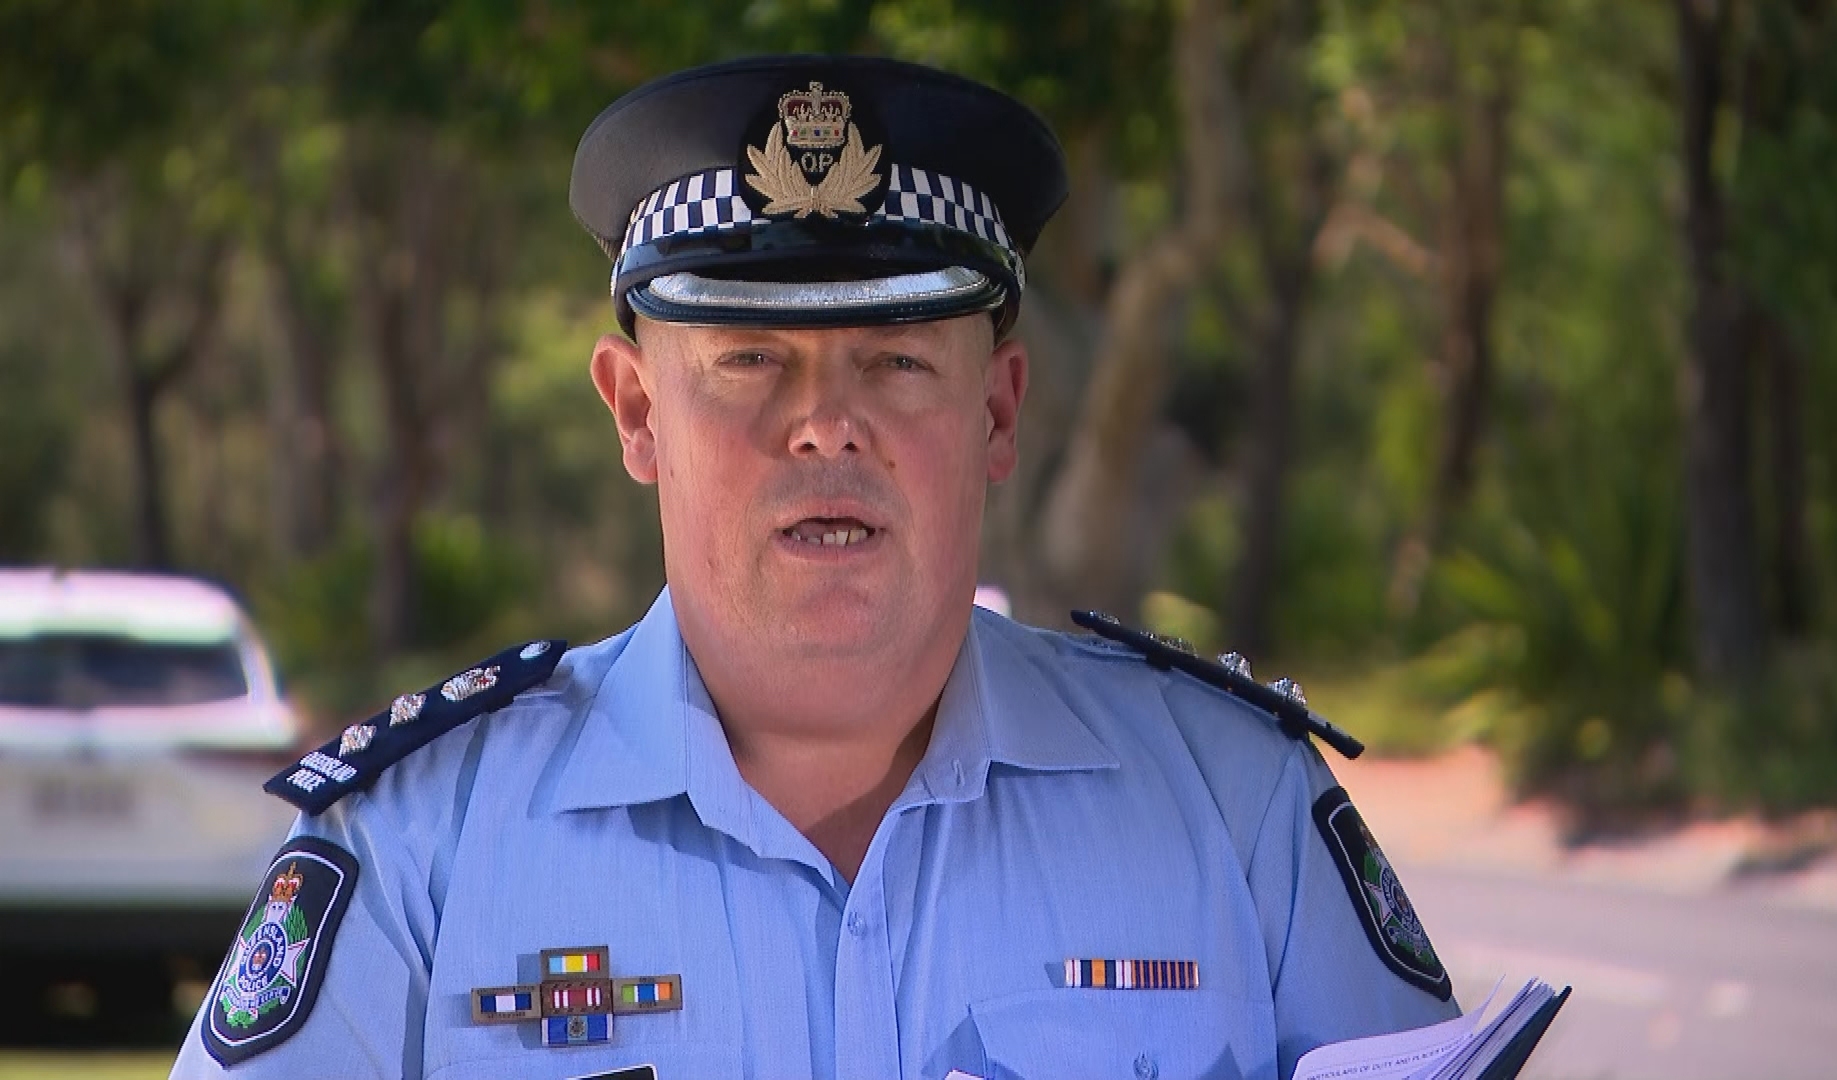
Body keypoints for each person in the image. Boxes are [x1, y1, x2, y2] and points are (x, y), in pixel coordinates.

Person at [170, 54, 1458, 1080]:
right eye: (750, 359)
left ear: (1000, 412)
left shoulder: (1236, 813)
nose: (826, 424)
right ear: (635, 414)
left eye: (897, 359)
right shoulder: (420, 850)